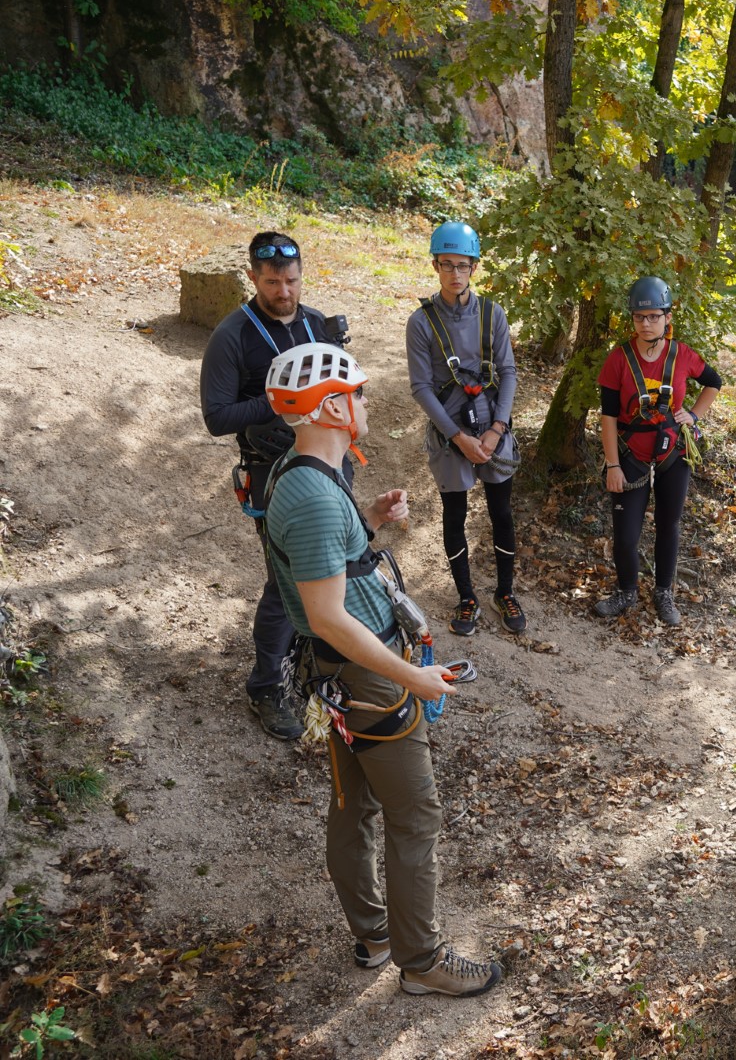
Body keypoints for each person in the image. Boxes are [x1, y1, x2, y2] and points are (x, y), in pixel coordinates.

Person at [261, 341, 502, 998]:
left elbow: (324, 565)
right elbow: (331, 615)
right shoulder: (311, 495)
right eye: (359, 393)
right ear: (333, 406)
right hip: (367, 676)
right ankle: (421, 960)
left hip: (345, 676)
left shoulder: (304, 473)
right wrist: (411, 676)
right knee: (413, 816)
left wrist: (366, 521)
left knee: (355, 805)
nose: (366, 402)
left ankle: (374, 934)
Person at [200, 231, 343, 740]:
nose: (284, 290)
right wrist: (282, 401)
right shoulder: (233, 335)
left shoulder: (316, 323)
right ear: (253, 277)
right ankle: (266, 685)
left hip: (329, 464)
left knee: (336, 569)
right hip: (271, 470)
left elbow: (343, 390)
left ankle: (318, 661)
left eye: (292, 280)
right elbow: (216, 417)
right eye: (273, 281)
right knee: (287, 585)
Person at [405, 221, 525, 638]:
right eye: (447, 265)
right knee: (455, 514)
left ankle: (505, 591)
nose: (455, 274)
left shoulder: (492, 315)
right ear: (436, 265)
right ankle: (466, 596)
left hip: (492, 425)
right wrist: (458, 437)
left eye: (463, 266)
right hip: (450, 431)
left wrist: (495, 430)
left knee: (502, 512)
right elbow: (421, 386)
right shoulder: (422, 323)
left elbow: (507, 371)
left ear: (474, 267)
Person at [594, 277, 722, 626]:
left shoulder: (683, 355)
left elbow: (714, 382)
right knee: (625, 534)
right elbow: (607, 417)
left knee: (669, 525)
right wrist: (612, 465)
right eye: (639, 317)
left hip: (673, 454)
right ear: (632, 319)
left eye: (653, 316)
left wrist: (694, 414)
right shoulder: (618, 360)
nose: (646, 323)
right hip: (630, 454)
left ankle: (663, 592)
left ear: (667, 317)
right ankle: (626, 591)